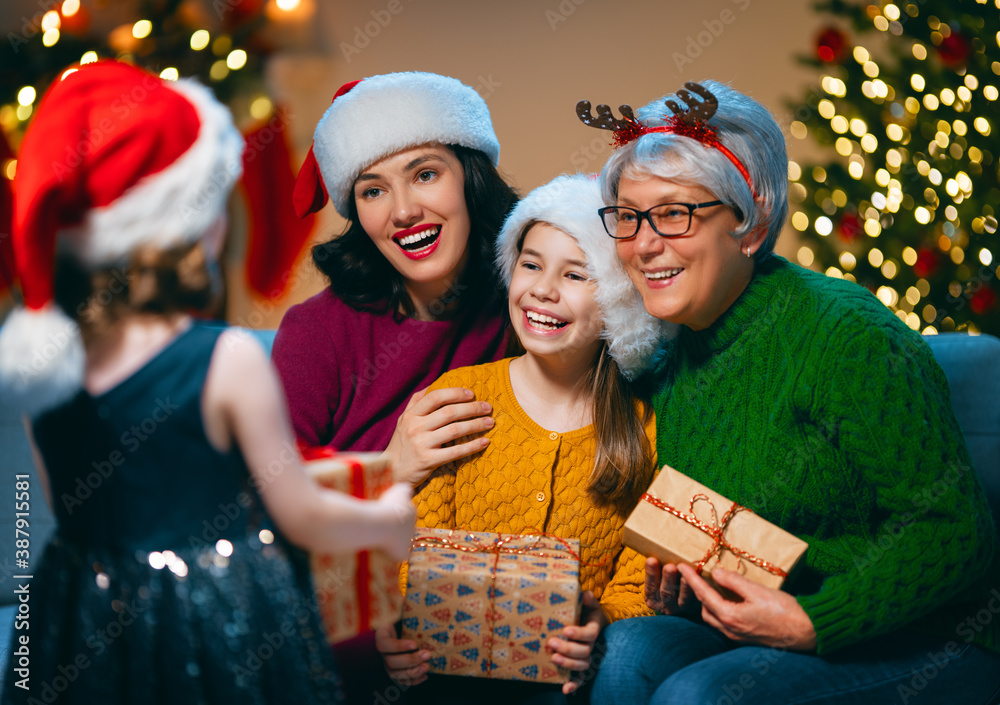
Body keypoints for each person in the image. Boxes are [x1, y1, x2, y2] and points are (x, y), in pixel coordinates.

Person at [0, 60, 416, 704]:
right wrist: (386, 519)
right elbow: (300, 513)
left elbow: (59, 507)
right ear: (190, 222)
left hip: (79, 609)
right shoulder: (228, 358)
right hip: (213, 613)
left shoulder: (40, 367)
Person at [573, 80, 1000, 703]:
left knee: (699, 697)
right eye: (629, 216)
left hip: (918, 636)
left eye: (674, 213)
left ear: (751, 223)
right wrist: (688, 587)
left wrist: (813, 621)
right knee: (626, 655)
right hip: (760, 625)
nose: (642, 244)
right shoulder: (665, 346)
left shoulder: (846, 335)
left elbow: (959, 535)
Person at [376, 174, 675, 704]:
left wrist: (599, 621)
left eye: (576, 274)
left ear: (618, 300)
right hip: (444, 680)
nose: (543, 289)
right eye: (531, 264)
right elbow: (411, 548)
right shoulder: (460, 395)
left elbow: (636, 585)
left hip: (562, 687)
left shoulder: (643, 427)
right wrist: (399, 626)